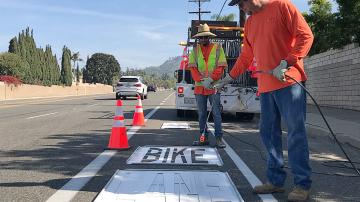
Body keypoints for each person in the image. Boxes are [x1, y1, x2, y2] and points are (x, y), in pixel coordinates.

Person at [217, 0, 314, 201]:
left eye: (242, 3)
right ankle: (275, 181)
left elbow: (306, 36)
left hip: (289, 82)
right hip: (266, 86)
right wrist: (229, 77)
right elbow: (246, 56)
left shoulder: (283, 6)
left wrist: (287, 62)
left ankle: (302, 185)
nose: (242, 9)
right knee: (268, 133)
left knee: (296, 132)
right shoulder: (250, 23)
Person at [188, 23, 228, 148]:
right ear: (198, 38)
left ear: (209, 37)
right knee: (201, 114)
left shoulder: (217, 48)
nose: (204, 39)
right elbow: (193, 69)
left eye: (206, 37)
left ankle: (219, 139)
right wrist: (201, 79)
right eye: (201, 37)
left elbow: (220, 67)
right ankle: (203, 138)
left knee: (216, 113)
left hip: (213, 86)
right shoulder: (194, 51)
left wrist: (211, 79)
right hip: (200, 88)